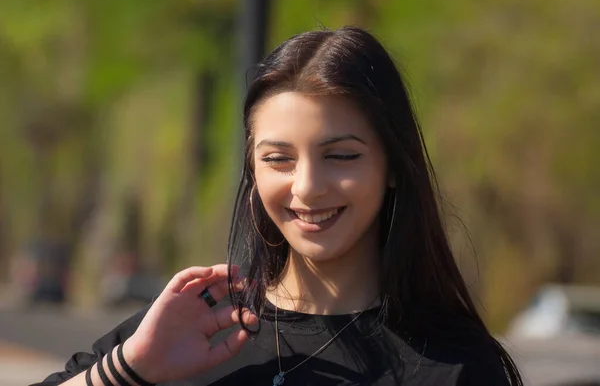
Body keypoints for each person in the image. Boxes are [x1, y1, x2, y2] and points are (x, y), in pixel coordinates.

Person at [33, 26, 523, 386]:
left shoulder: (455, 365)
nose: (307, 187)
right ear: (253, 171)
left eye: (341, 156)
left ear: (393, 165)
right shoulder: (186, 333)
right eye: (278, 159)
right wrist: (128, 369)